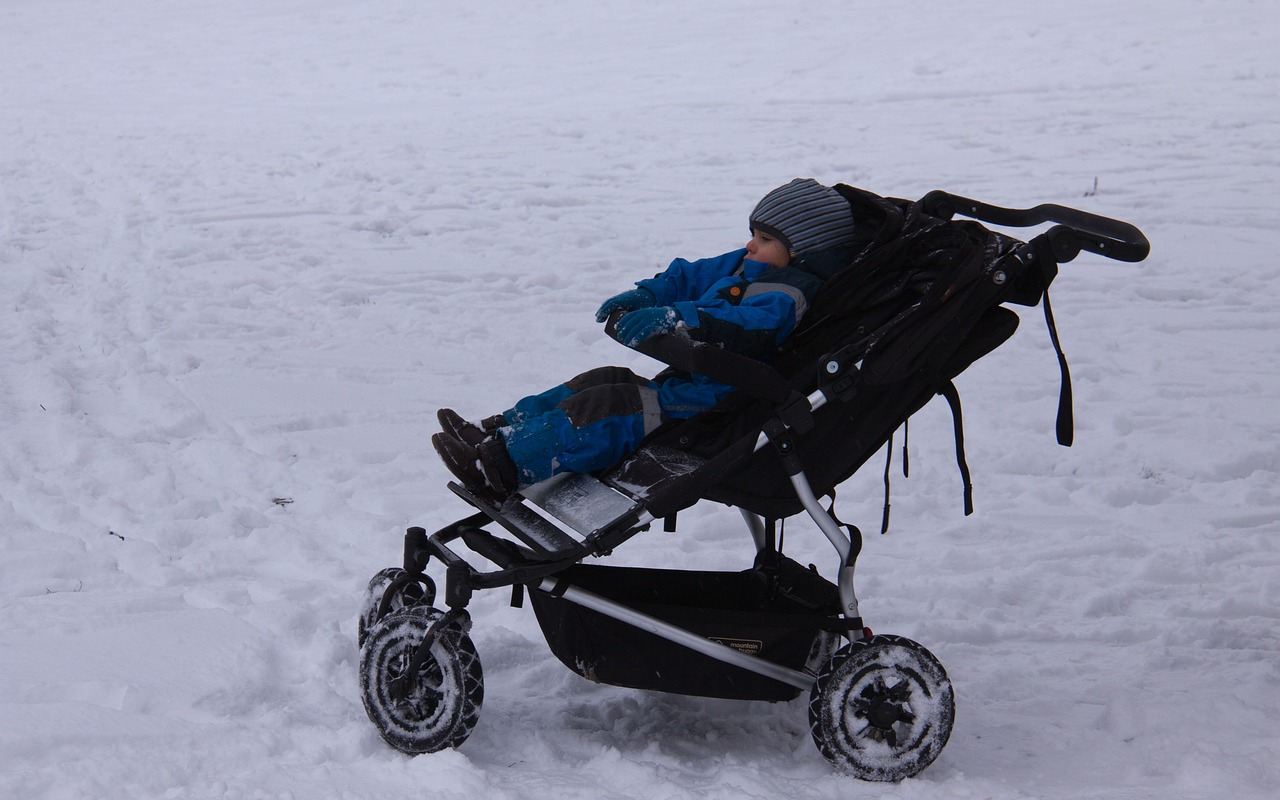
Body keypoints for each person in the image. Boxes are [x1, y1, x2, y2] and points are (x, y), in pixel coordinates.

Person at [432, 178, 865, 497]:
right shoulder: (750, 263)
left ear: (802, 249)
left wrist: (681, 318)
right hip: (690, 383)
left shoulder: (789, 294)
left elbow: (746, 328)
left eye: (765, 239)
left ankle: (502, 464)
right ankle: (495, 432)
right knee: (604, 378)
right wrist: (650, 295)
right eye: (753, 233)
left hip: (720, 402)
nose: (750, 245)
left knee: (612, 406)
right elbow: (692, 275)